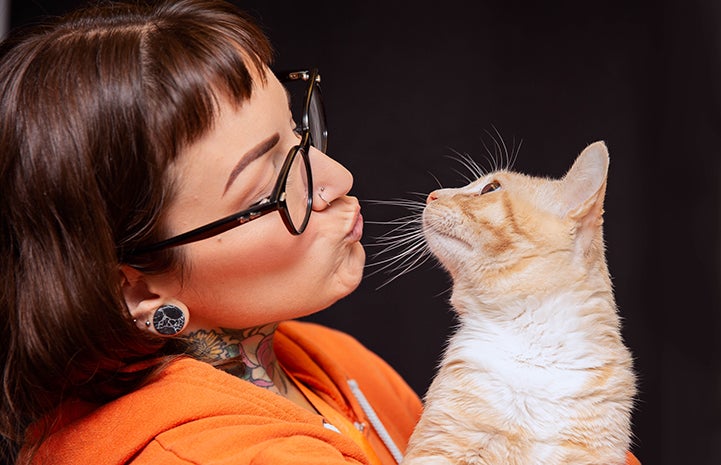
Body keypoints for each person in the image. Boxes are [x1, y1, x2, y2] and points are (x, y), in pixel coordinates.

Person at [0, 1, 640, 464]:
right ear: (136, 289)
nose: (336, 175)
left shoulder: (330, 366)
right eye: (270, 186)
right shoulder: (201, 451)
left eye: (302, 136)